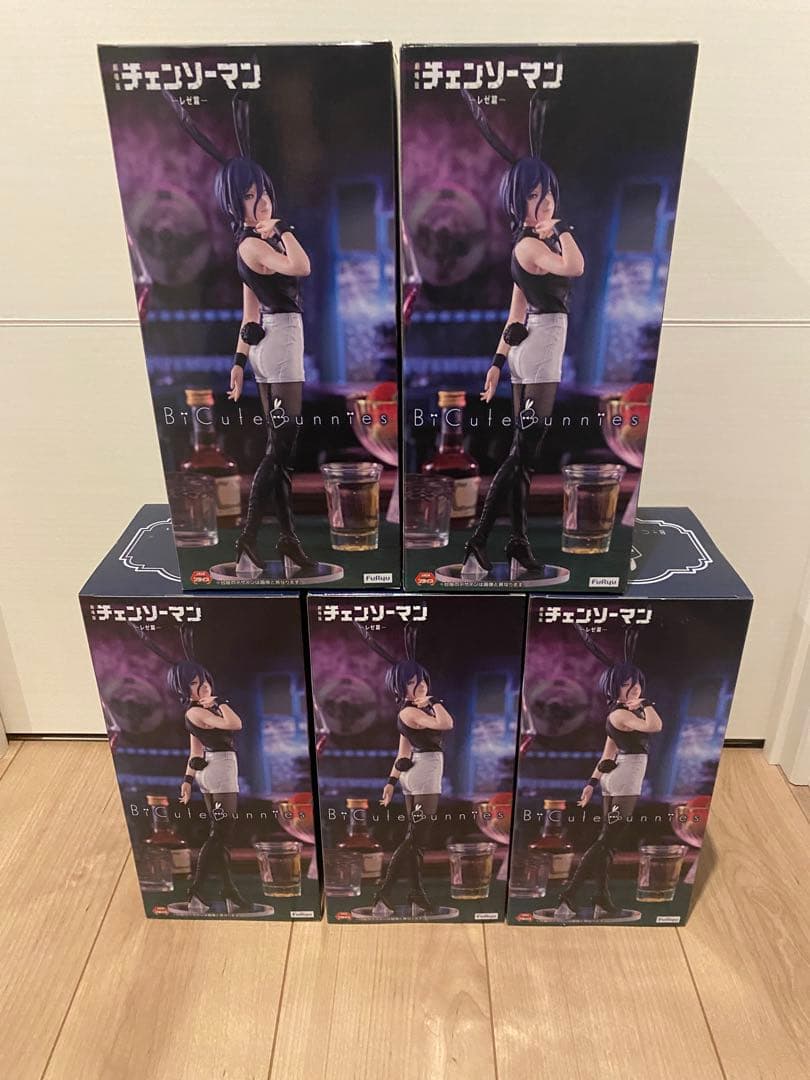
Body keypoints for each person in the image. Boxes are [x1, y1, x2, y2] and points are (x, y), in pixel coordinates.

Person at [164, 91, 315, 575]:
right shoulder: (255, 245)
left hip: (270, 340)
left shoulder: (251, 246)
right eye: (250, 196)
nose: (261, 200)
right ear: (236, 204)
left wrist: (237, 363)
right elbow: (302, 267)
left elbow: (249, 311)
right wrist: (283, 229)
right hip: (282, 341)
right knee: (281, 446)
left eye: (263, 191)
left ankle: (287, 543)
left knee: (280, 450)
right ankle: (248, 540)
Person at [463, 155, 584, 576]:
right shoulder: (533, 245)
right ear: (517, 202)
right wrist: (563, 229)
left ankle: (517, 542)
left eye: (548, 193)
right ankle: (479, 540)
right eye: (534, 195)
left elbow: (515, 314)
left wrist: (497, 362)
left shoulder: (530, 245)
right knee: (522, 453)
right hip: (542, 348)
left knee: (524, 456)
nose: (545, 202)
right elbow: (575, 267)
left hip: (528, 347)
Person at [554, 660, 663, 920]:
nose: (634, 688)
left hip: (615, 777)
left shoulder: (618, 714)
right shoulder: (622, 715)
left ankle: (602, 900)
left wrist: (591, 784)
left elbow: (607, 754)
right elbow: (655, 726)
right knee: (607, 842)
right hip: (626, 778)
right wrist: (647, 704)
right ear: (613, 688)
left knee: (607, 842)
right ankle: (569, 896)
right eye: (626, 684)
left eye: (637, 683)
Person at [372, 658, 454, 916]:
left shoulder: (411, 712)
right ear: (400, 688)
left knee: (416, 841)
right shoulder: (411, 712)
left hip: (415, 773)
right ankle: (384, 894)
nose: (420, 686)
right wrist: (435, 701)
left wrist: (391, 782)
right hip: (424, 774)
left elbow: (403, 752)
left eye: (422, 680)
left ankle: (417, 895)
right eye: (411, 682)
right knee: (416, 838)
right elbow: (446, 724)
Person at [170, 660, 253, 915]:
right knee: (220, 834)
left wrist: (187, 781)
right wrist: (220, 701)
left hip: (209, 770)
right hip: (220, 770)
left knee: (221, 836)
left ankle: (229, 891)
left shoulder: (195, 712)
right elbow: (235, 724)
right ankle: (196, 892)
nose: (203, 685)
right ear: (183, 689)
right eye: (195, 683)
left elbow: (195, 752)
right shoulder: (198, 712)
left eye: (204, 679)